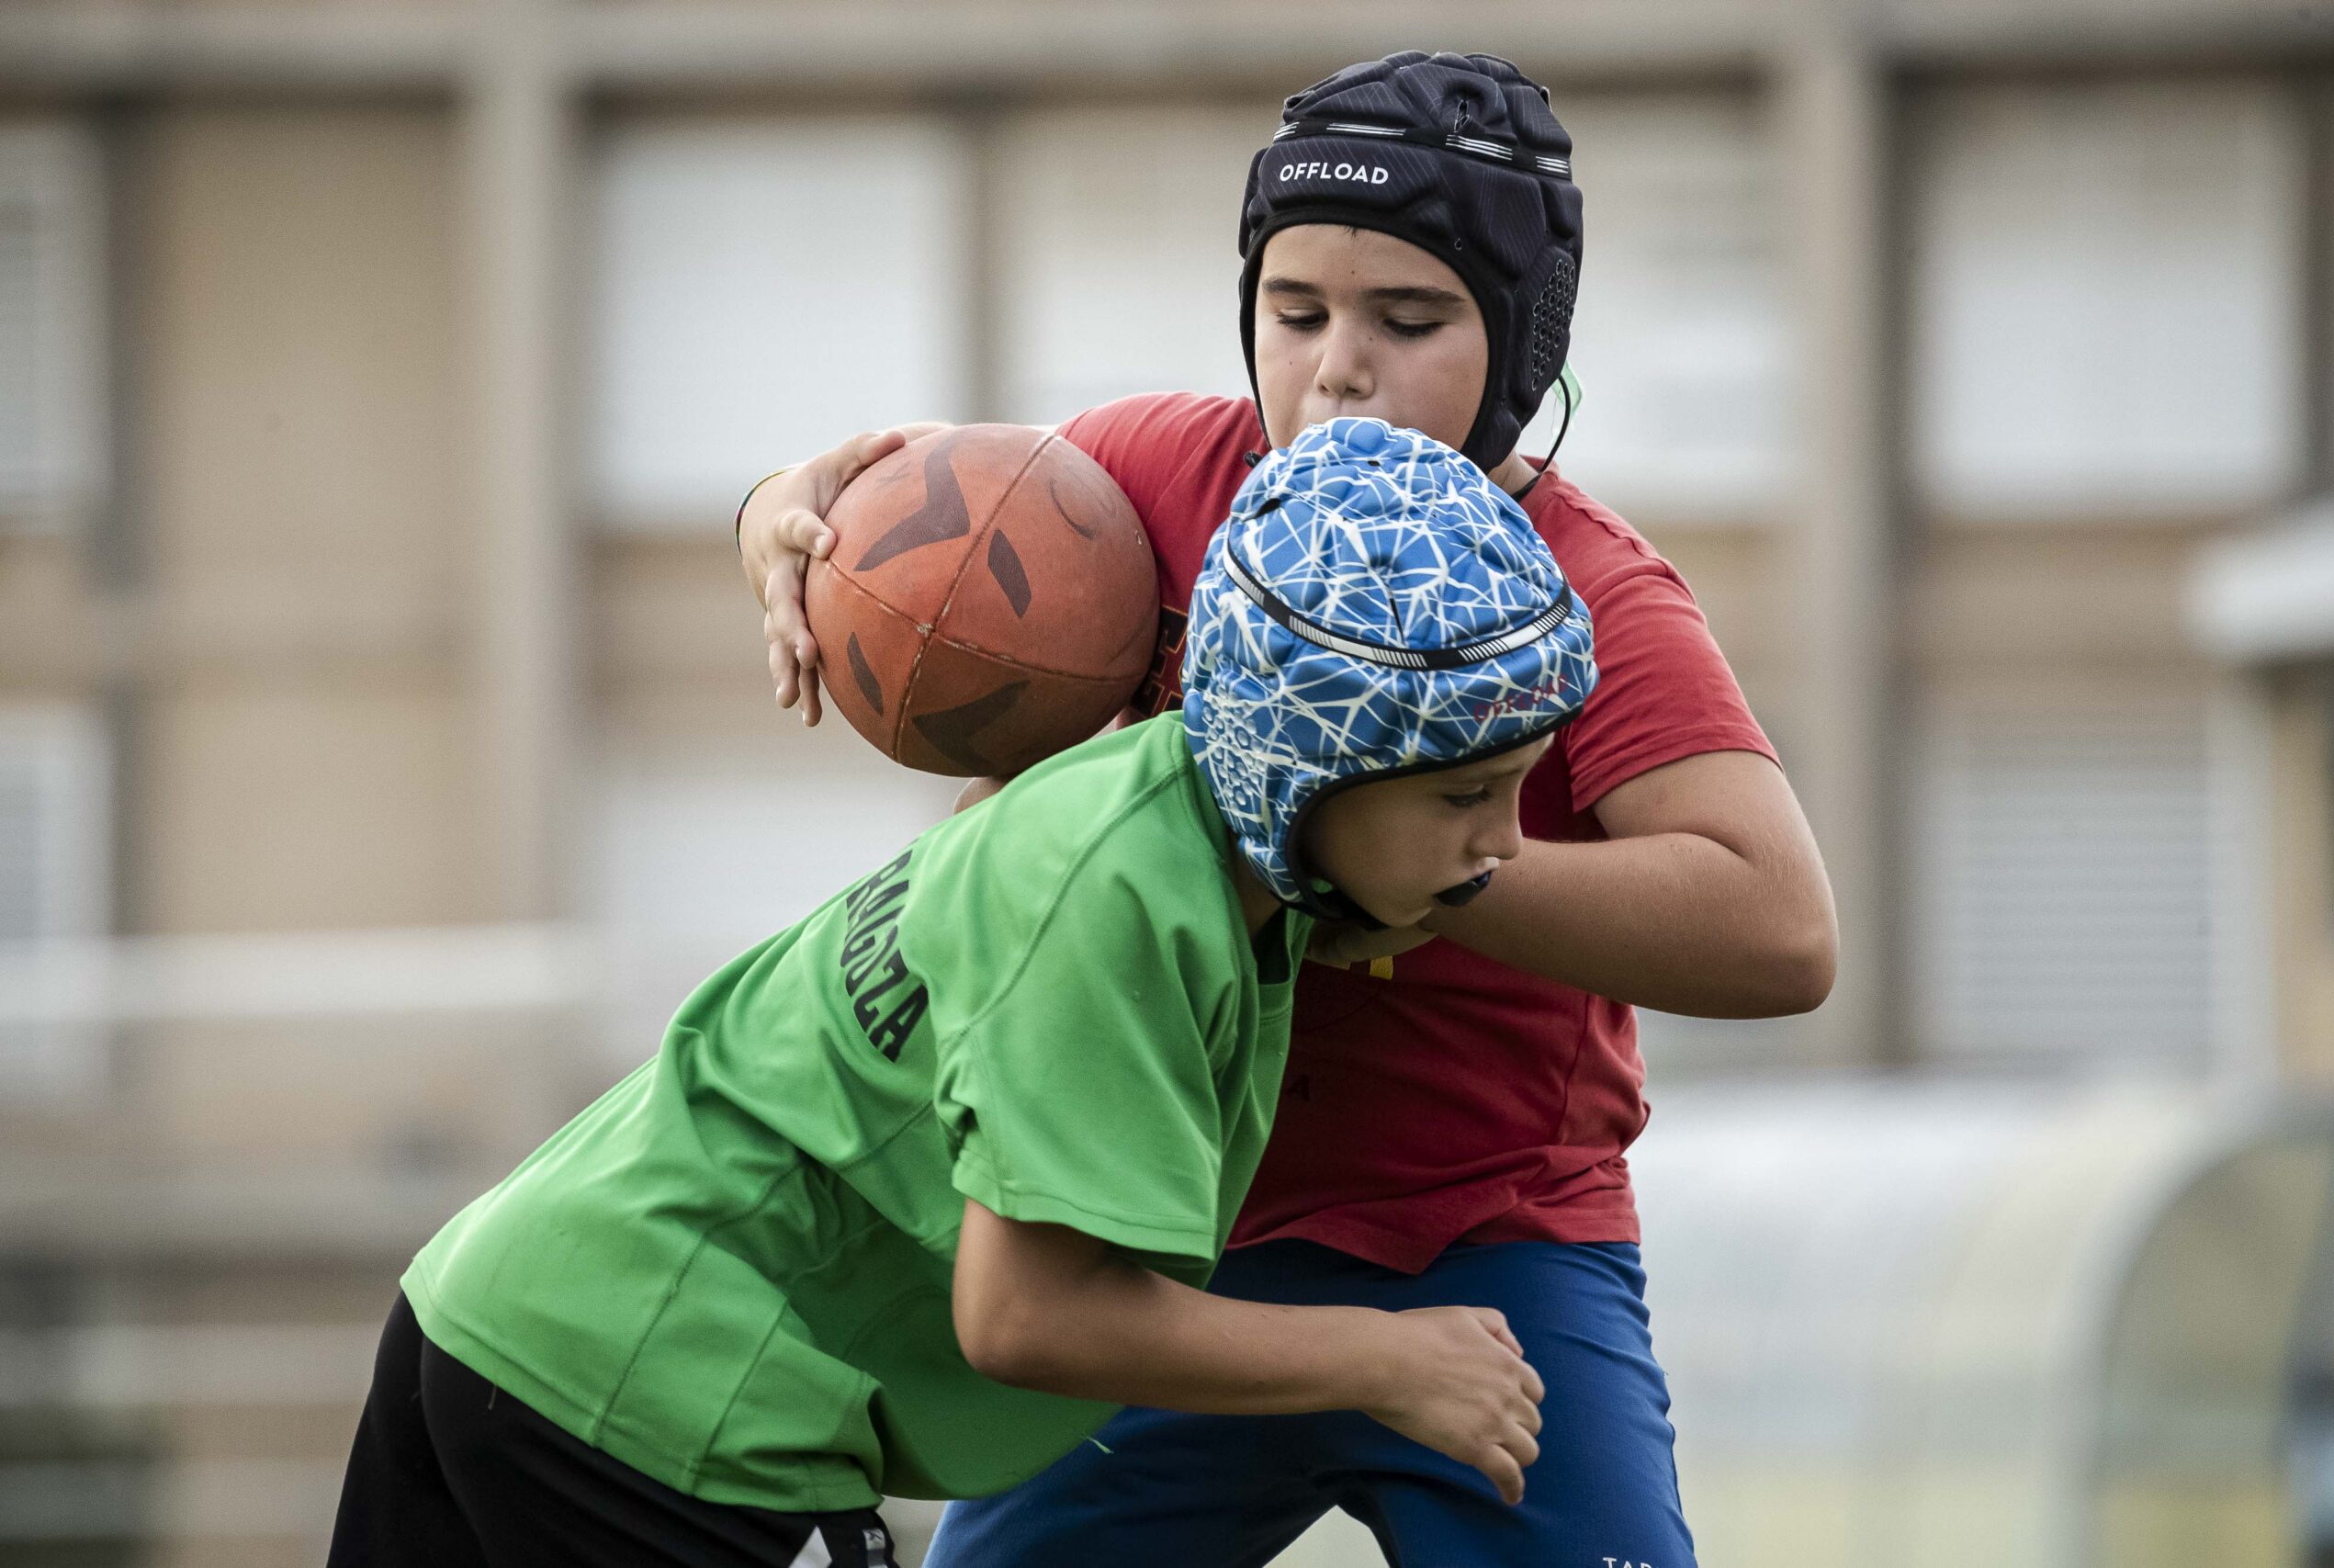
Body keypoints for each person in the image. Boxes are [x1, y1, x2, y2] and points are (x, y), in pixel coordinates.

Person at [736, 51, 1838, 1568]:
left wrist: (1405, 853)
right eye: (1294, 309)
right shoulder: (1147, 489)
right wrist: (778, 513)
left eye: (1412, 319)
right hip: (1177, 1249)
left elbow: (1781, 930)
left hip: (1497, 1254)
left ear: (1522, 345)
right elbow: (865, 487)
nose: (1336, 367)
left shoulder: (1588, 590)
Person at [325, 416, 1595, 1568]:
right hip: (650, 1386)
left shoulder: (1146, 815)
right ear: (1308, 764)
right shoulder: (1113, 908)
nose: (1505, 845)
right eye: (1463, 795)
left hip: (502, 1306)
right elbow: (1026, 1314)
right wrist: (1385, 1357)